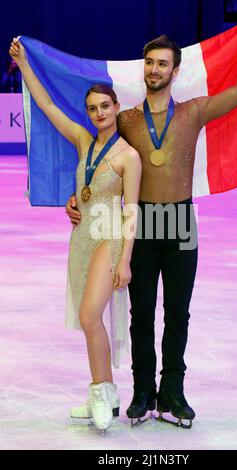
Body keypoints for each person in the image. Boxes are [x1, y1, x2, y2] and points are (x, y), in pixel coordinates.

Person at [66, 12, 237, 428]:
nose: (154, 69)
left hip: (180, 221)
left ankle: (173, 391)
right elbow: (97, 158)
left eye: (163, 63)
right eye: (149, 63)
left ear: (175, 71)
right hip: (142, 221)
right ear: (144, 68)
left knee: (177, 313)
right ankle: (143, 390)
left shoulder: (194, 112)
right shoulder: (126, 119)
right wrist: (80, 195)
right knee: (141, 312)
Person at [9, 38, 142, 433]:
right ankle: (102, 391)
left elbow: (131, 209)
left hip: (109, 235)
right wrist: (24, 65)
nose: (98, 113)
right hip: (82, 236)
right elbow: (48, 107)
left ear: (117, 108)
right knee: (89, 321)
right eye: (92, 108)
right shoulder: (85, 141)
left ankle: (103, 393)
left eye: (105, 106)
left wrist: (124, 260)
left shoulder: (128, 157)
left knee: (88, 316)